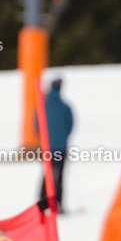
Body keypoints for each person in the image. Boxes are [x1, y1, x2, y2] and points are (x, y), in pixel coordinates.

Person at [38, 78, 74, 213]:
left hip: (46, 148)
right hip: (61, 148)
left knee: (47, 175)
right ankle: (58, 204)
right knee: (60, 177)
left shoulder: (43, 105)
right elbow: (70, 126)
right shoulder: (66, 107)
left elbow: (37, 125)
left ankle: (41, 205)